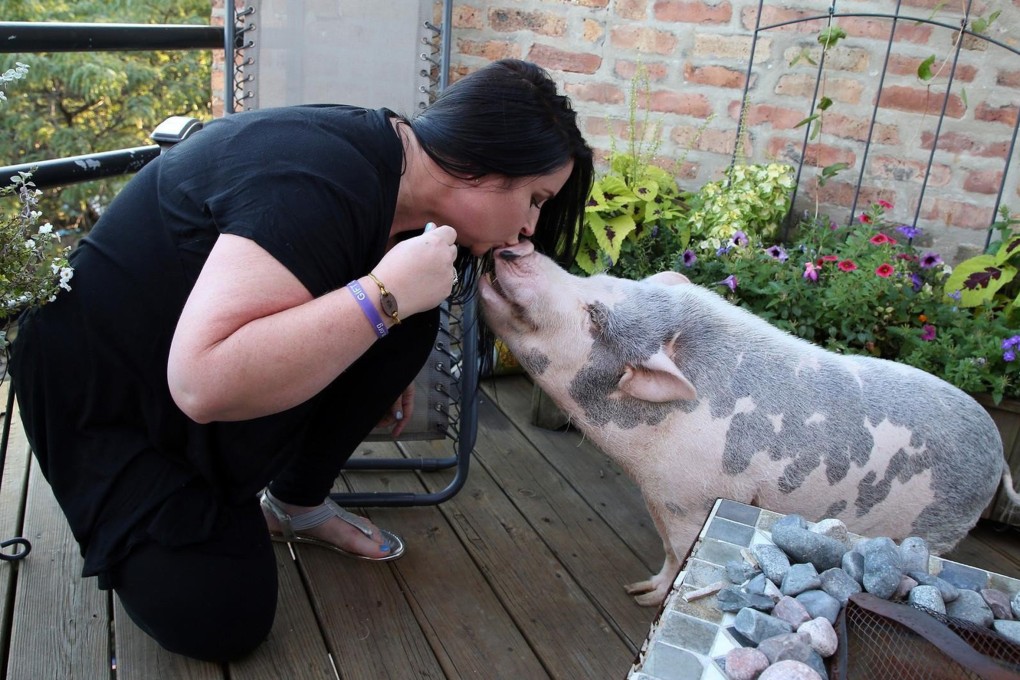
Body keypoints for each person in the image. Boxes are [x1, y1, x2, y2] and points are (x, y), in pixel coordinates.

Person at [8, 58, 593, 662]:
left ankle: (295, 504)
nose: (529, 228)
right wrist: (382, 300)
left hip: (188, 362)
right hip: (109, 391)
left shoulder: (394, 174)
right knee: (221, 618)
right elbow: (201, 382)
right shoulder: (322, 177)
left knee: (408, 316)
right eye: (535, 199)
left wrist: (377, 340)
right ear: (484, 163)